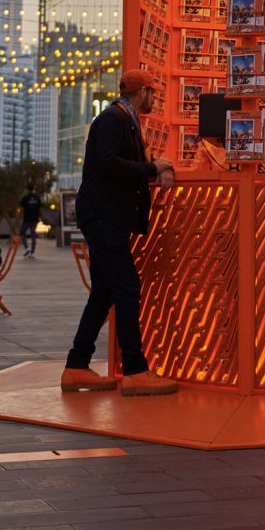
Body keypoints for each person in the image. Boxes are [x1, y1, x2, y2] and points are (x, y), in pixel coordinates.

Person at [62, 68, 177, 397]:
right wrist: (153, 168)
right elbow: (109, 163)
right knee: (127, 286)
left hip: (104, 215)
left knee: (104, 291)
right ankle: (135, 370)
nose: (154, 99)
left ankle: (76, 366)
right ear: (143, 93)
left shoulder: (125, 120)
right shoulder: (113, 119)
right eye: (153, 93)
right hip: (103, 215)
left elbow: (129, 162)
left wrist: (159, 168)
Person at [19, 183, 42, 258]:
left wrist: (19, 218)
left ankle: (26, 248)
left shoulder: (25, 198)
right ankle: (32, 252)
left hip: (26, 219)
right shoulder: (37, 198)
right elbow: (40, 209)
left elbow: (22, 210)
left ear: (27, 188)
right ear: (33, 188)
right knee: (33, 235)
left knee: (22, 233)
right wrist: (41, 218)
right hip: (35, 219)